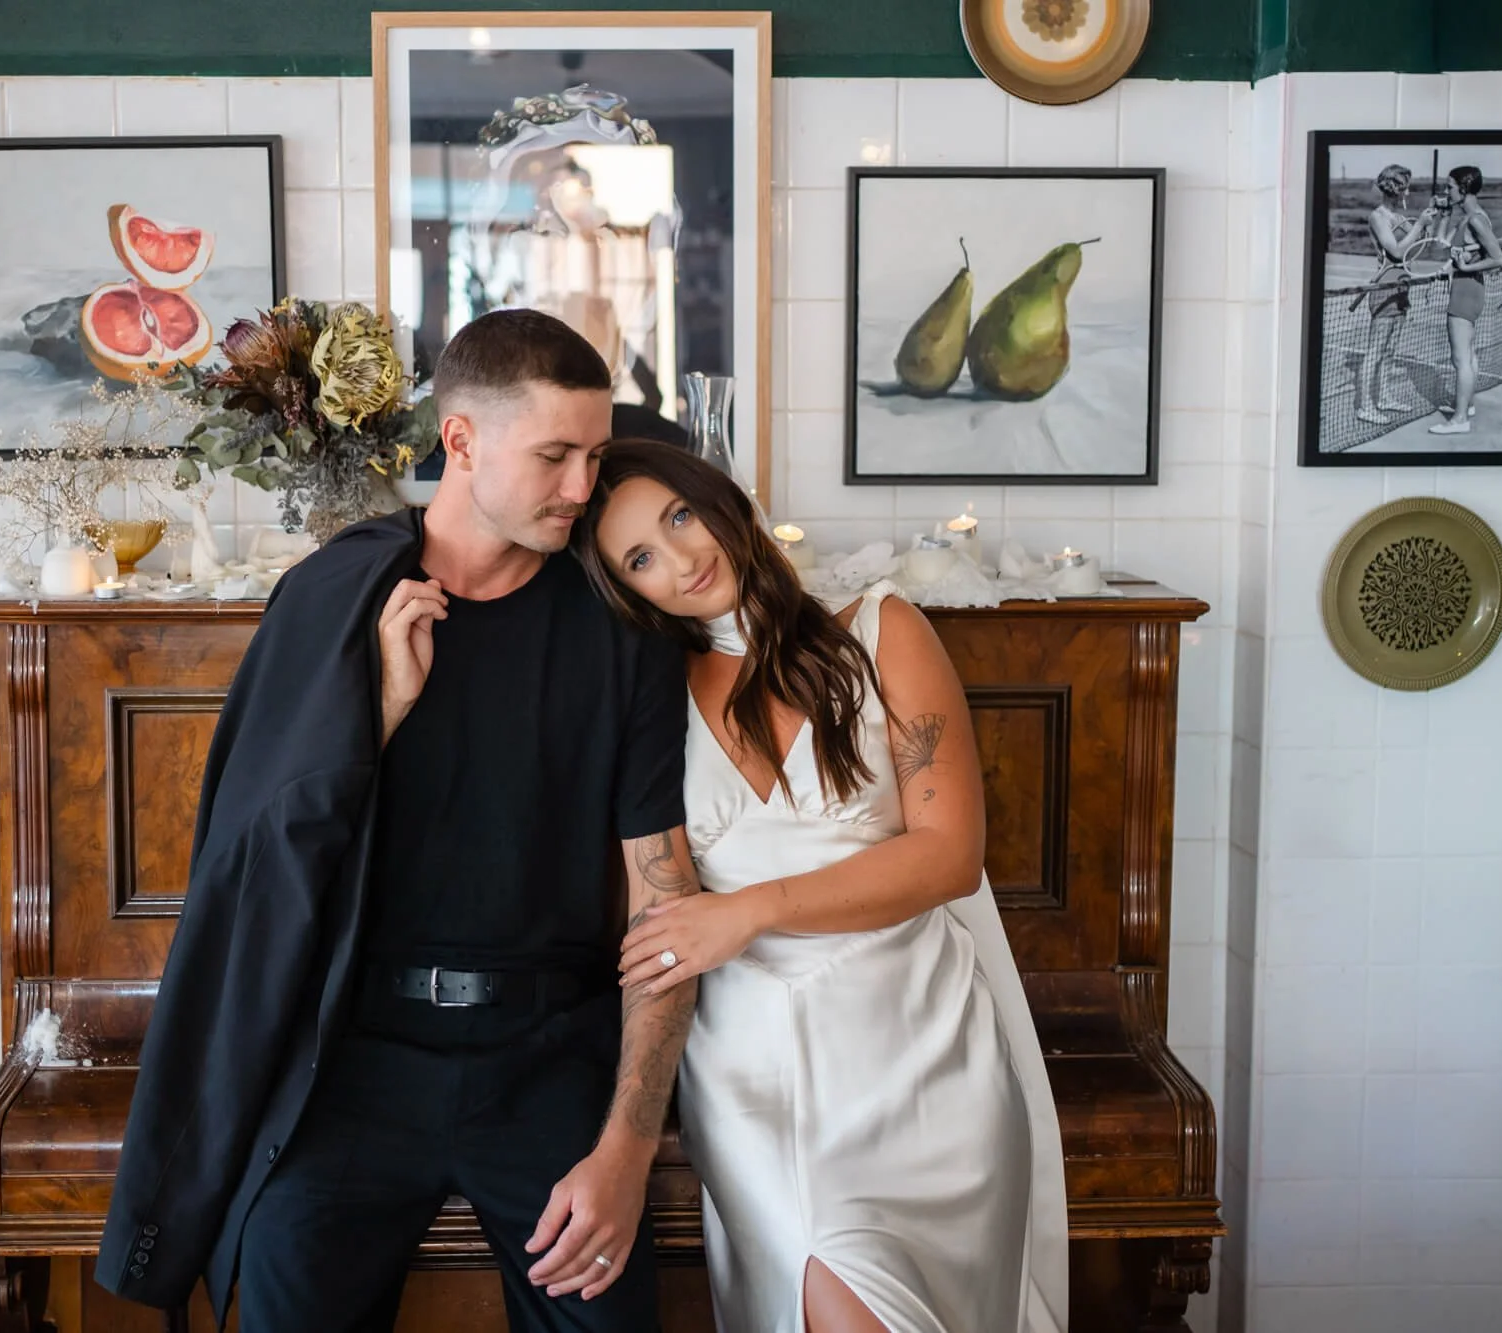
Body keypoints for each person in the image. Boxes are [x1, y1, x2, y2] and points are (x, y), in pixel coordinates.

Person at [96, 310, 701, 1332]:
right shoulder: (334, 595)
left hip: (545, 1058)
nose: (580, 490)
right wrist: (369, 718)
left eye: (593, 457)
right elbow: (250, 864)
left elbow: (662, 901)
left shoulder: (622, 632)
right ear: (459, 439)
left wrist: (626, 1149)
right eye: (554, 455)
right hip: (355, 1058)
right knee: (278, 1280)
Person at [574, 441, 1068, 1333]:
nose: (681, 560)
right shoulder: (653, 701)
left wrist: (747, 910)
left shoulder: (882, 631)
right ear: (626, 591)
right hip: (753, 1073)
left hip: (924, 1054)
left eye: (680, 516)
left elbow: (950, 855)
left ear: (721, 501)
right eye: (640, 557)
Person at [1353, 164, 1435, 425]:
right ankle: (1365, 406)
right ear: (1396, 189)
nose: (1408, 191)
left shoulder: (1399, 217)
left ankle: (1385, 398)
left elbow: (1415, 247)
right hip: (1385, 288)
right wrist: (1419, 224)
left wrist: (1425, 228)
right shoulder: (1378, 217)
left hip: (1401, 287)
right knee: (1375, 350)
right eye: (1405, 186)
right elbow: (1397, 252)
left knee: (1390, 350)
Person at [1430, 164, 1502, 436]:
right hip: (1468, 288)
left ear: (1463, 188)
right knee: (1468, 355)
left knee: (1460, 358)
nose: (1446, 191)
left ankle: (1459, 419)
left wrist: (1463, 268)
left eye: (1449, 187)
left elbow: (1498, 259)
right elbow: (1440, 244)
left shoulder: (1475, 219)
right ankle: (1467, 405)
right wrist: (1443, 214)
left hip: (1466, 289)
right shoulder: (1468, 216)